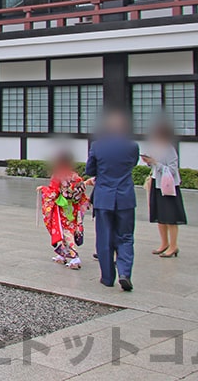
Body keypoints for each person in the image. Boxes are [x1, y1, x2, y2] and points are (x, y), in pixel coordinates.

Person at [85, 109, 140, 292]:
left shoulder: (98, 146)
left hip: (104, 196)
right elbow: (132, 164)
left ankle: (107, 277)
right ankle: (124, 273)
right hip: (124, 196)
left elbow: (90, 169)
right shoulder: (132, 146)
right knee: (125, 236)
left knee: (104, 237)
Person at [38, 151, 93, 270]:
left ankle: (74, 257)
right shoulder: (75, 176)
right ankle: (62, 255)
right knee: (68, 229)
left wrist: (43, 189)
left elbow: (53, 192)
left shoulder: (58, 175)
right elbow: (81, 191)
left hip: (62, 207)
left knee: (65, 230)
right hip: (73, 207)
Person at [142, 120, 187, 258]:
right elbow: (154, 166)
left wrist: (157, 163)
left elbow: (172, 170)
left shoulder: (170, 149)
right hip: (156, 183)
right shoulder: (155, 147)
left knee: (170, 217)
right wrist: (149, 162)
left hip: (168, 187)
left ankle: (173, 246)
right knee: (160, 216)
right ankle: (164, 243)